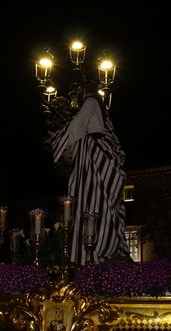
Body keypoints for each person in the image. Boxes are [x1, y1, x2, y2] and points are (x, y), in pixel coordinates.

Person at [45, 79, 129, 265]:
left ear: (85, 90)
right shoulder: (98, 108)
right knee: (93, 206)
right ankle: (91, 253)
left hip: (95, 163)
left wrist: (58, 140)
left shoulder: (91, 102)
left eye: (79, 91)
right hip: (91, 161)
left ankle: (95, 253)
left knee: (94, 205)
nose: (77, 97)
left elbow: (77, 126)